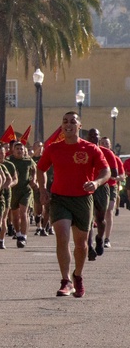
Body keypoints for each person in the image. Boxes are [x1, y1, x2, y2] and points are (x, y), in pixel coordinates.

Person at [35, 112, 109, 298]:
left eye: (72, 122)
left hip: (83, 199)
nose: (68, 124)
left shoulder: (90, 148)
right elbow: (41, 168)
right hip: (60, 199)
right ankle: (65, 280)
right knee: (62, 236)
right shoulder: (53, 148)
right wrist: (43, 189)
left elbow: (105, 171)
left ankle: (78, 275)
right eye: (65, 121)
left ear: (79, 126)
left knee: (81, 245)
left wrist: (96, 183)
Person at [85, 128, 118, 259]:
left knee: (100, 219)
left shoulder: (106, 153)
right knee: (87, 219)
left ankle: (99, 238)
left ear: (99, 138)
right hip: (87, 187)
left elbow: (114, 173)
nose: (93, 137)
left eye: (96, 135)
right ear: (87, 137)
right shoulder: (84, 151)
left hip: (102, 188)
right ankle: (89, 247)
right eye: (91, 135)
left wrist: (101, 172)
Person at [6, 142, 37, 249]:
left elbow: (34, 170)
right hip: (14, 190)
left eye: (21, 149)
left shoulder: (28, 161)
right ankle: (18, 233)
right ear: (13, 150)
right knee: (15, 215)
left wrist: (34, 179)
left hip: (26, 190)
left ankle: (23, 236)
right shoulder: (9, 161)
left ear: (24, 151)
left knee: (23, 212)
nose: (19, 151)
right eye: (17, 149)